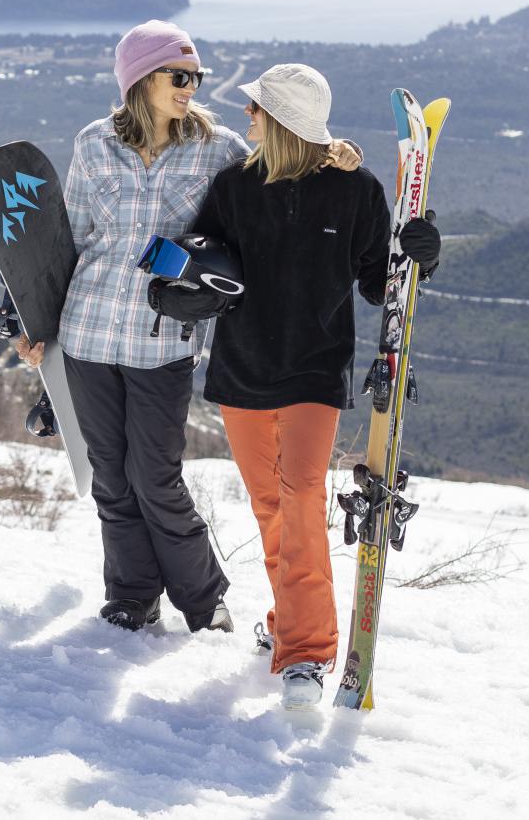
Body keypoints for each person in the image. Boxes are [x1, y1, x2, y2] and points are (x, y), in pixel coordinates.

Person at [17, 24, 360, 634]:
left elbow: (285, 172)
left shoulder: (218, 148)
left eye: (195, 78)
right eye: (179, 76)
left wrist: (334, 154)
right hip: (87, 331)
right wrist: (38, 327)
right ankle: (131, 595)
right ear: (139, 80)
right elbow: (70, 240)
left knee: (156, 477)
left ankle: (203, 599)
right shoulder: (93, 143)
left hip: (162, 339)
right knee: (110, 477)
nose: (191, 88)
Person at [188, 63, 440, 707]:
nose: (246, 115)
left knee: (300, 496)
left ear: (279, 119)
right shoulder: (233, 188)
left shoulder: (354, 190)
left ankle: (306, 653)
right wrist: (181, 282)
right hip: (242, 370)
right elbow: (203, 261)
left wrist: (418, 255)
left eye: (256, 108)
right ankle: (289, 621)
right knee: (270, 508)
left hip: (314, 369)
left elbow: (379, 283)